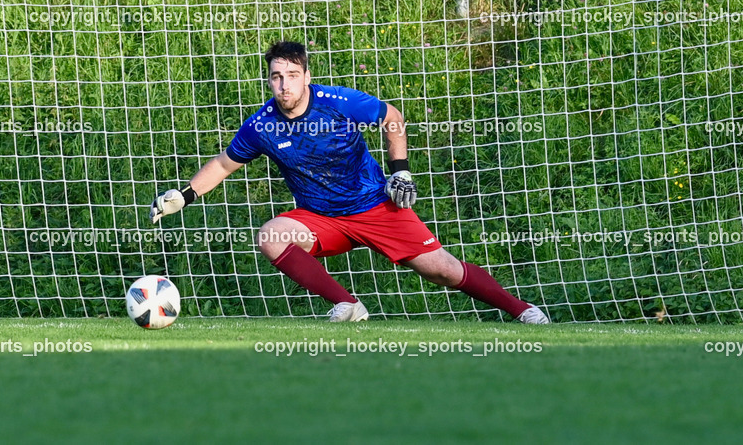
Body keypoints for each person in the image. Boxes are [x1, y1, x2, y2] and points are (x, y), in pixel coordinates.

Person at [150, 40, 549, 324]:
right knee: (272, 235)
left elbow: (392, 117)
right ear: (268, 81)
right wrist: (183, 196)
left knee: (444, 271)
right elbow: (223, 164)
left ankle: (522, 310)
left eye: (292, 74)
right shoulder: (261, 125)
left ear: (307, 75)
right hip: (321, 218)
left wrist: (401, 171)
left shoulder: (338, 103)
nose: (284, 84)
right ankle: (348, 306)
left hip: (376, 206)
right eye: (276, 77)